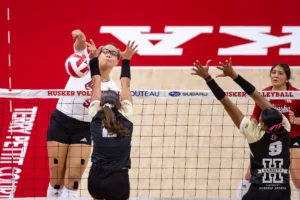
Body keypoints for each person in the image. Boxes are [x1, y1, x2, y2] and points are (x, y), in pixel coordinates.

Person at [191, 58, 291, 200]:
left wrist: (208, 77)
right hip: (282, 189)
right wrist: (233, 75)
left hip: (259, 190)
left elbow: (226, 102)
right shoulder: (286, 126)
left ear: (262, 125)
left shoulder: (254, 133)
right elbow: (257, 96)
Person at [46, 29, 121, 198]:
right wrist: (81, 39)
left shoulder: (113, 90)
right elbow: (79, 49)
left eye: (113, 53)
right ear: (98, 54)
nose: (108, 54)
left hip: (84, 128)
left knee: (73, 179)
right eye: (105, 51)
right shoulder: (83, 64)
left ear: (117, 61)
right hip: (61, 121)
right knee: (56, 179)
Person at [237, 63, 300, 199]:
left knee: (297, 177)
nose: (276, 75)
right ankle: (242, 193)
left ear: (287, 78)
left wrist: (296, 121)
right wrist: (252, 127)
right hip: (270, 139)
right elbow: (255, 114)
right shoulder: (264, 93)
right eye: (274, 72)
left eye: (280, 73)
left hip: (293, 137)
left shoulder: (296, 95)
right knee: (250, 174)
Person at [87, 40, 137, 200]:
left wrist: (94, 59)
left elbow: (96, 82)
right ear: (121, 105)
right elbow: (126, 85)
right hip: (118, 180)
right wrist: (127, 59)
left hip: (95, 179)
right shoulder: (126, 118)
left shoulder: (95, 117)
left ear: (100, 105)